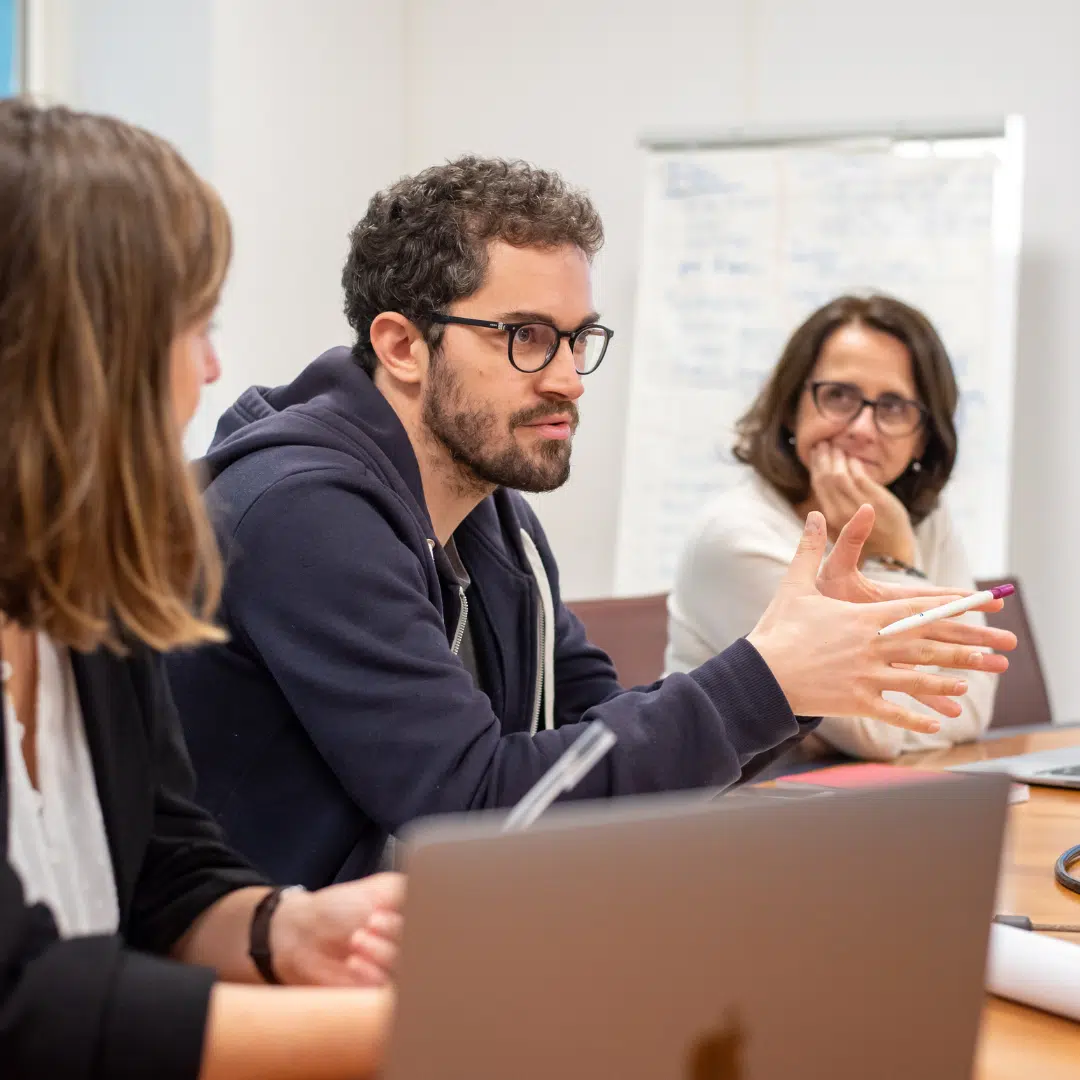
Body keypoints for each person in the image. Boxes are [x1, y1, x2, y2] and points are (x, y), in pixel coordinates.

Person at [168, 159, 1013, 887]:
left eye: (580, 339)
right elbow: (469, 805)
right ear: (401, 346)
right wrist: (768, 679)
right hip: (283, 1003)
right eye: (527, 337)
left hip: (451, 952)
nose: (570, 378)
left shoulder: (493, 516)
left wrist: (796, 684)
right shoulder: (301, 513)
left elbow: (598, 755)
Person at [0, 99, 407, 1080]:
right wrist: (439, 1031)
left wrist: (288, 928)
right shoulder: (304, 505)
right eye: (193, 325)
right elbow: (24, 1006)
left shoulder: (84, 596)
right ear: (80, 351)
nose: (211, 367)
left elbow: (167, 876)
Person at [667, 294, 1000, 761]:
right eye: (839, 396)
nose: (863, 427)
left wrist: (850, 732)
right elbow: (882, 731)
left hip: (868, 805)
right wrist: (891, 560)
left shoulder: (924, 520)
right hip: (743, 815)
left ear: (924, 437)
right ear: (791, 407)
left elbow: (969, 709)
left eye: (894, 406)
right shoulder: (736, 536)